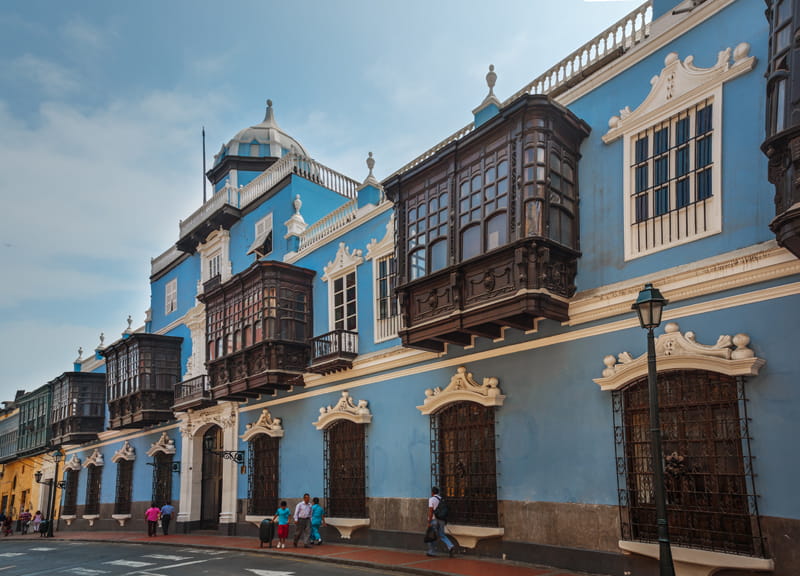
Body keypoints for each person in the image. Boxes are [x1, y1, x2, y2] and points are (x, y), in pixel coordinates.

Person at [426, 487, 455, 558]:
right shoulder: (441, 499)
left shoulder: (431, 499)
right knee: (442, 535)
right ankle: (450, 546)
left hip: (434, 520)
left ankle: (431, 551)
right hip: (442, 519)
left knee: (432, 535)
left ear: (432, 492)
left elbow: (430, 511)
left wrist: (429, 521)